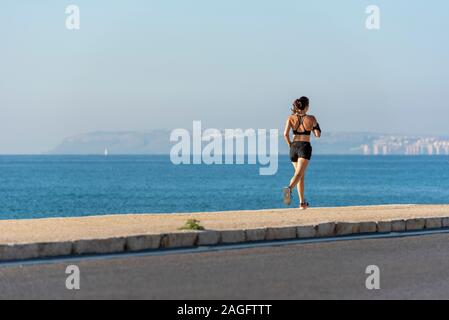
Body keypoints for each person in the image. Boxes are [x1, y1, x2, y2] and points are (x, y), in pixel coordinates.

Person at [283, 97, 321, 209]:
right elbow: (317, 135)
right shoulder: (311, 118)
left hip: (293, 147)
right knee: (299, 174)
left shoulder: (290, 118)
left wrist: (290, 144)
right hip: (304, 147)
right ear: (306, 107)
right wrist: (315, 126)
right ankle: (289, 189)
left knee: (300, 175)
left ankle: (302, 203)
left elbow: (285, 134)